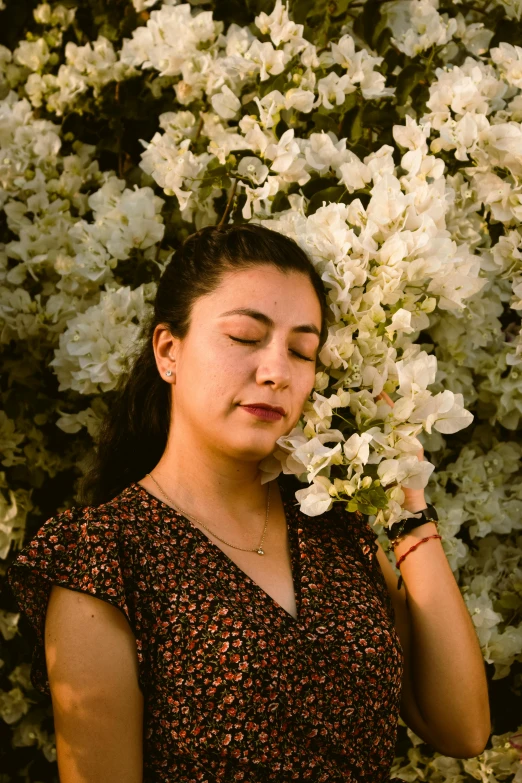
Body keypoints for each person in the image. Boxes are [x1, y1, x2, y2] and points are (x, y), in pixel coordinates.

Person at [7, 223, 491, 783]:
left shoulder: (331, 531)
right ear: (169, 350)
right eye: (244, 337)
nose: (277, 372)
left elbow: (463, 728)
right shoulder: (107, 557)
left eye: (302, 350)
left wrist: (408, 510)